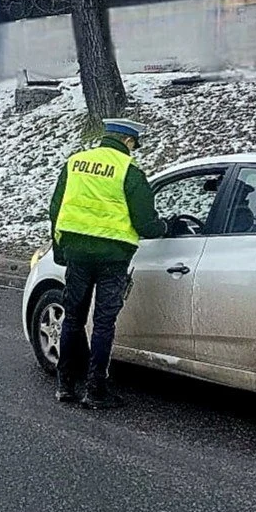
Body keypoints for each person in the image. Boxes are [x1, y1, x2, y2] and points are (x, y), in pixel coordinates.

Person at [47, 118, 167, 408]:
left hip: (77, 253)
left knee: (73, 318)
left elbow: (56, 208)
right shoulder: (129, 172)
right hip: (113, 258)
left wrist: (60, 250)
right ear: (128, 142)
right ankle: (95, 391)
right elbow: (145, 223)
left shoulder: (75, 163)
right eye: (134, 145)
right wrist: (163, 227)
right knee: (103, 323)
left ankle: (65, 386)